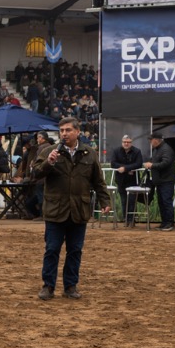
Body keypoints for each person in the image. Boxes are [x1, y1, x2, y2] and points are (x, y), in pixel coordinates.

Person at [30, 115, 112, 300]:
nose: (64, 134)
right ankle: (48, 286)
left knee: (75, 250)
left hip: (78, 210)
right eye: (62, 131)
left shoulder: (89, 153)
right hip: (55, 211)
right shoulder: (50, 151)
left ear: (77, 132)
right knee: (52, 249)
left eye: (68, 130)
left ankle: (70, 286)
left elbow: (98, 181)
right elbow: (34, 173)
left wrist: (105, 201)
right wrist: (48, 162)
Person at [107, 134, 145, 225]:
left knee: (132, 200)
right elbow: (113, 164)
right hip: (121, 180)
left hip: (133, 180)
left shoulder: (137, 151)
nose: (126, 144)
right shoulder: (116, 151)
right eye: (124, 142)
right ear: (122, 142)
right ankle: (126, 219)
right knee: (124, 200)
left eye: (128, 142)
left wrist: (125, 168)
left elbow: (139, 164)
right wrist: (126, 169)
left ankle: (132, 219)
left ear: (131, 143)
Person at [147, 132, 175, 230]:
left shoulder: (166, 149)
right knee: (161, 202)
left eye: (151, 140)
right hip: (160, 180)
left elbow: (166, 162)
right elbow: (155, 160)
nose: (150, 142)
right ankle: (164, 222)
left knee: (166, 201)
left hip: (166, 180)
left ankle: (170, 223)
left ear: (156, 140)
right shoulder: (157, 149)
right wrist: (150, 162)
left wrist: (152, 165)